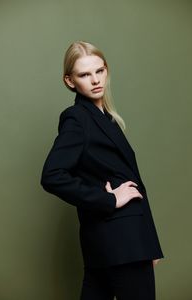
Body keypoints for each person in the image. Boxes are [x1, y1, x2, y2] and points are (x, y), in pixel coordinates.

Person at [40, 40, 164, 300]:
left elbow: (135, 184)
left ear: (107, 70)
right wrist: (108, 199)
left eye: (99, 71)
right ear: (70, 81)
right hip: (120, 242)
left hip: (120, 242)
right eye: (85, 74)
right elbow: (52, 176)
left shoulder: (106, 118)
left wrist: (150, 246)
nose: (95, 80)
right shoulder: (78, 118)